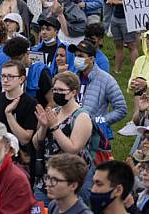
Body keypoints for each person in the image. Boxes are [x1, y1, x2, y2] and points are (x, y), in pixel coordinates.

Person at [32, 71, 96, 205]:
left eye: (61, 90)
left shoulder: (81, 117)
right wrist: (43, 127)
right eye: (55, 89)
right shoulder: (54, 112)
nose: (57, 93)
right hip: (45, 179)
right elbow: (36, 144)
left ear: (73, 92)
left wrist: (55, 127)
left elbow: (73, 149)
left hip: (70, 181)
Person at [69, 39, 127, 141]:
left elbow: (121, 109)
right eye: (76, 55)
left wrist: (99, 121)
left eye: (81, 56)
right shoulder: (72, 78)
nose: (77, 59)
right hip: (71, 130)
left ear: (91, 59)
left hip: (94, 136)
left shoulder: (106, 80)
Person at [0, 60, 38, 154]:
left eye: (10, 76)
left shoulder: (31, 103)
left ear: (21, 79)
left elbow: (25, 139)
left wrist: (9, 114)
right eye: (3, 76)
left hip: (19, 158)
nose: (5, 80)